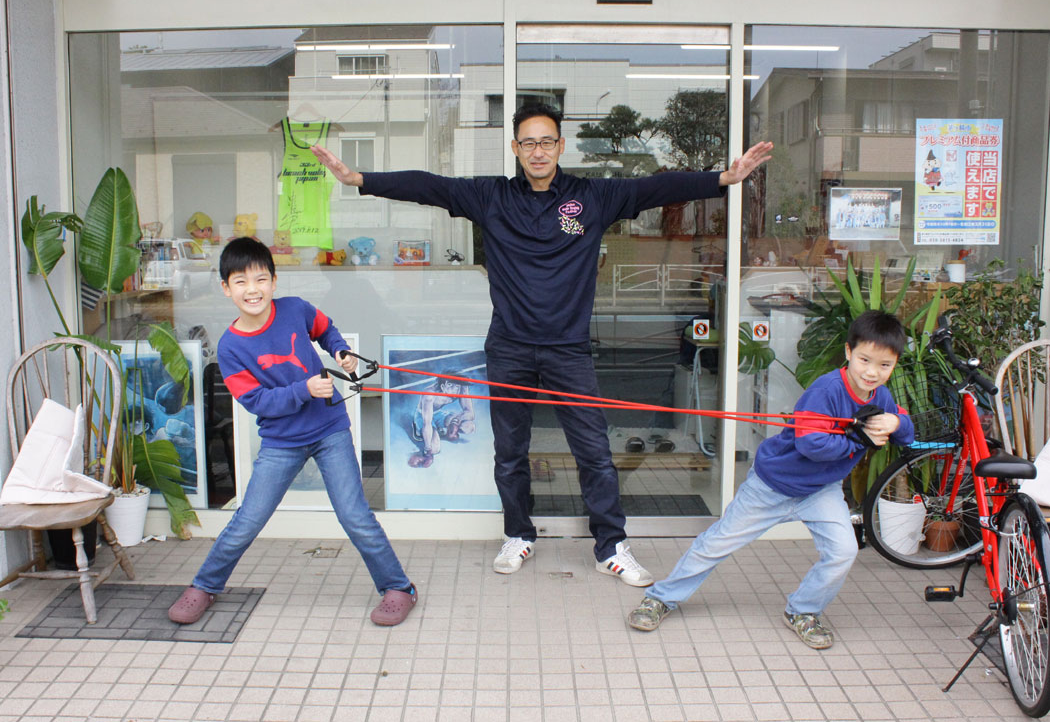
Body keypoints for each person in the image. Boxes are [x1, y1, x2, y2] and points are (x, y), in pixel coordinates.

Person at [311, 104, 773, 586]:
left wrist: (722, 178)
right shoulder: (491, 196)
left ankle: (610, 546)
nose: (537, 150)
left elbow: (653, 188)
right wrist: (358, 178)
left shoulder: (591, 197)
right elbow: (429, 185)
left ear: (560, 147)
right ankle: (518, 533)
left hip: (567, 349)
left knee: (592, 449)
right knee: (510, 451)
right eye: (527, 142)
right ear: (515, 148)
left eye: (546, 141)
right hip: (509, 347)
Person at [627, 310, 915, 648]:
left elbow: (903, 428)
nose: (872, 372)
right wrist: (861, 438)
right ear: (849, 352)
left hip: (820, 492)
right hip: (771, 486)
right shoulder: (826, 390)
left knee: (843, 551)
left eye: (884, 365)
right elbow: (812, 445)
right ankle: (661, 598)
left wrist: (895, 424)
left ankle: (802, 611)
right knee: (717, 543)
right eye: (865, 359)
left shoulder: (880, 396)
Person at [168, 237, 418, 627]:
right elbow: (257, 403)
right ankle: (204, 585)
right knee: (247, 520)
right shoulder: (231, 347)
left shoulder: (296, 310)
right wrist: (304, 389)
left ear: (274, 281)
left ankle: (399, 588)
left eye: (260, 279)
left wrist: (339, 352)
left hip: (330, 430)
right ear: (225, 288)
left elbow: (326, 329)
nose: (253, 289)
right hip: (281, 443)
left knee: (355, 516)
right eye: (241, 281)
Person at [408, 375, 476, 468]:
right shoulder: (429, 394)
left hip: (439, 414)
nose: (457, 391)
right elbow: (427, 423)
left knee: (469, 427)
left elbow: (470, 413)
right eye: (454, 387)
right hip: (424, 416)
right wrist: (428, 452)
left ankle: (442, 431)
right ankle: (418, 428)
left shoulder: (461, 387)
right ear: (444, 386)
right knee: (435, 449)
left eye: (457, 387)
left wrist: (454, 423)